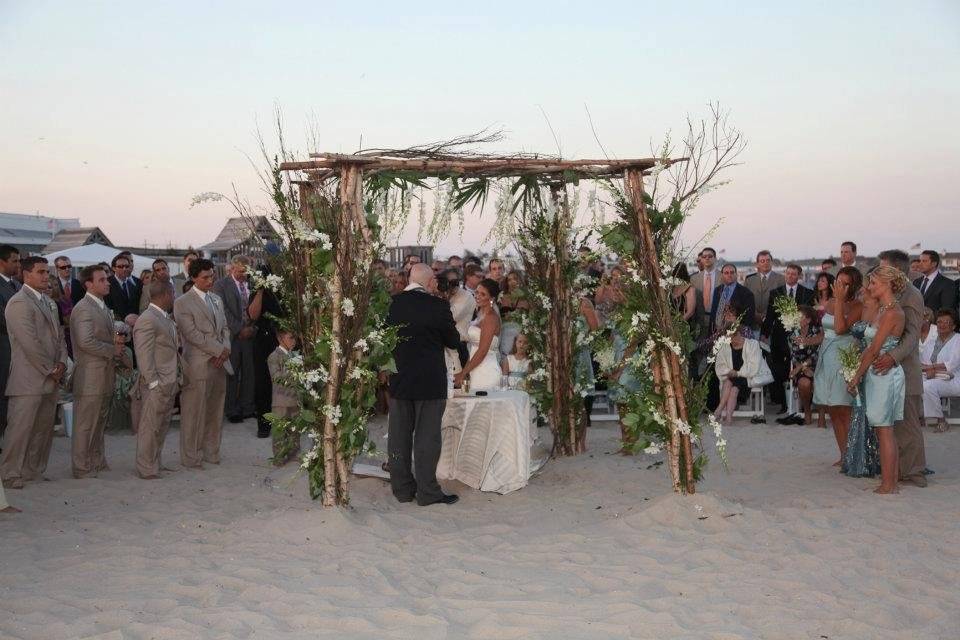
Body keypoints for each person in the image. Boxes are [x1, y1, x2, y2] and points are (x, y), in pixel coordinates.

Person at [386, 263, 460, 506]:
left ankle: (402, 490)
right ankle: (428, 492)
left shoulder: (393, 303)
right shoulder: (438, 306)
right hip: (430, 380)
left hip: (399, 378)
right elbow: (453, 340)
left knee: (398, 436)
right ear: (430, 283)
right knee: (427, 438)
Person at [0, 257, 67, 489]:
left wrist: (62, 363)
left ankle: (33, 470)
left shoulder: (49, 302)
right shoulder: (18, 303)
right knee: (20, 430)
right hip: (28, 378)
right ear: (26, 274)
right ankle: (9, 473)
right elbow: (29, 343)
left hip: (51, 377)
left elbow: (59, 337)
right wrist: (51, 369)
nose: (46, 276)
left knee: (43, 429)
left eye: (47, 272)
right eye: (41, 272)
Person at [845, 266, 908, 494]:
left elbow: (873, 350)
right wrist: (856, 372)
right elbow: (868, 350)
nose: (869, 287)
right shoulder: (883, 309)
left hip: (885, 375)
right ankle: (889, 480)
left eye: (873, 283)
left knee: (884, 429)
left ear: (888, 284)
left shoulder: (893, 313)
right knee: (882, 428)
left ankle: (889, 484)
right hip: (875, 374)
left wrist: (856, 377)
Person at [873, 249, 927, 487]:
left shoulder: (912, 295)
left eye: (882, 266)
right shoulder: (887, 293)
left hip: (905, 369)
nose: (878, 270)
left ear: (895, 269)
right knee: (893, 424)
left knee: (908, 424)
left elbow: (913, 334)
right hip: (887, 370)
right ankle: (898, 470)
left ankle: (915, 472)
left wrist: (892, 356)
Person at [70, 264, 129, 479]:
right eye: (102, 279)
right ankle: (81, 466)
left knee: (99, 421)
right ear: (88, 284)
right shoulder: (83, 308)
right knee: (85, 423)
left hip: (104, 373)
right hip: (90, 375)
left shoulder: (102, 306)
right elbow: (85, 342)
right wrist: (113, 350)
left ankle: (96, 460)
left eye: (107, 279)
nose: (107, 282)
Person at [174, 258, 232, 469]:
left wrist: (224, 351)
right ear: (193, 278)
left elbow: (225, 328)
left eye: (212, 276)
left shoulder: (216, 299)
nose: (210, 280)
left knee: (215, 410)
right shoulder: (182, 302)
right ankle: (191, 456)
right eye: (205, 277)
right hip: (198, 364)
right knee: (194, 412)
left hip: (220, 363)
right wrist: (218, 350)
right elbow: (191, 334)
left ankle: (211, 452)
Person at [813, 266, 864, 465]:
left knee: (844, 408)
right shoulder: (830, 302)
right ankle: (843, 455)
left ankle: (853, 454)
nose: (839, 286)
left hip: (845, 357)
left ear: (853, 286)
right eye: (838, 282)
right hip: (827, 356)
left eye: (844, 283)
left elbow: (841, 329)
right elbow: (826, 332)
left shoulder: (857, 306)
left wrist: (841, 301)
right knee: (833, 408)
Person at [132, 281, 181, 479]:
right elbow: (143, 354)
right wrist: (153, 382)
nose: (174, 297)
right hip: (156, 382)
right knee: (150, 426)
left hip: (168, 380)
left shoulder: (165, 318)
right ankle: (146, 467)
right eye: (173, 293)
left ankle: (155, 462)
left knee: (161, 424)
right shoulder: (148, 319)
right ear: (166, 294)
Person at [762, 264, 814, 412]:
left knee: (801, 368)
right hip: (779, 340)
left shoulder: (808, 293)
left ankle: (802, 406)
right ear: (785, 274)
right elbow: (770, 316)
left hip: (801, 338)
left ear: (799, 276)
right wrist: (764, 335)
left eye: (794, 274)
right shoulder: (775, 293)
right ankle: (784, 405)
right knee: (780, 371)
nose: (790, 276)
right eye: (788, 273)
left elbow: (810, 316)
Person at [213, 255, 256, 423]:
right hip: (232, 336)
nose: (243, 275)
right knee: (232, 372)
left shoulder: (253, 283)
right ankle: (231, 409)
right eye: (240, 271)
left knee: (249, 372)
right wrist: (239, 329)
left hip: (251, 334)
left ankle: (247, 407)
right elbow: (223, 311)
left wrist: (252, 328)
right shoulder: (221, 285)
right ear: (232, 269)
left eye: (246, 271)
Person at [247, 267, 285, 439]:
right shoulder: (258, 291)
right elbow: (253, 315)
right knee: (262, 383)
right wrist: (261, 290)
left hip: (282, 340)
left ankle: (283, 422)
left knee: (283, 383)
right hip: (263, 339)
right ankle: (264, 424)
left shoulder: (284, 289)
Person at [713, 302, 764, 425]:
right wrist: (729, 372)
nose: (732, 340)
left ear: (740, 333)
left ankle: (720, 410)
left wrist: (738, 373)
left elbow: (753, 366)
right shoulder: (725, 345)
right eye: (730, 337)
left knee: (734, 386)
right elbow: (719, 365)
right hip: (731, 376)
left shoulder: (751, 344)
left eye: (734, 336)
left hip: (746, 376)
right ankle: (727, 417)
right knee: (730, 383)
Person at [454, 278, 502, 391]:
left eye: (483, 294)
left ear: (492, 298)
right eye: (476, 292)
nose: (477, 296)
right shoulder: (480, 314)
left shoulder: (491, 317)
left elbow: (482, 351)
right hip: (475, 367)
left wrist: (463, 373)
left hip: (486, 369)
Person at [778, 305, 822, 425]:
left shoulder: (817, 332)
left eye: (799, 317)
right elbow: (793, 356)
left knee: (819, 379)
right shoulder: (792, 334)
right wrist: (801, 368)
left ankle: (821, 414)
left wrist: (798, 368)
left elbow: (816, 355)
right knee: (804, 383)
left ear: (808, 320)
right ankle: (807, 410)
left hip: (817, 365)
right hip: (802, 367)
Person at [920, 309, 960, 432]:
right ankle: (919, 416)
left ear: (953, 326)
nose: (942, 325)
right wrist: (928, 370)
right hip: (934, 377)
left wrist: (931, 368)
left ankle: (941, 420)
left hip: (954, 379)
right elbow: (923, 363)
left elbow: (952, 364)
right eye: (939, 322)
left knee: (927, 386)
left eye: (946, 322)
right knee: (912, 381)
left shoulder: (958, 339)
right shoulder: (932, 341)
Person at [267, 329, 301, 464]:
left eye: (295, 339)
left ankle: (293, 453)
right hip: (280, 400)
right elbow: (275, 378)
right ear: (280, 339)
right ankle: (279, 457)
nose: (294, 341)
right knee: (279, 430)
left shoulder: (294, 355)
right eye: (290, 338)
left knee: (295, 429)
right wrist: (292, 369)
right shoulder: (274, 356)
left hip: (294, 398)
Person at [0, 244, 22, 443]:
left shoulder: (17, 285)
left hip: (16, 348)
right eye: (14, 260)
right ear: (2, 262)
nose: (18, 264)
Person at [709, 263, 756, 335]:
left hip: (737, 334)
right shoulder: (717, 290)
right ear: (722, 275)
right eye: (726, 273)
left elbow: (749, 319)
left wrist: (735, 322)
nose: (729, 275)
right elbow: (713, 313)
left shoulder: (746, 293)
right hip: (717, 334)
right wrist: (711, 333)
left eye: (732, 272)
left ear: (736, 274)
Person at [744, 250, 785, 326]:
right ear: (757, 264)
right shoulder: (749, 280)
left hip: (772, 324)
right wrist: (755, 314)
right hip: (752, 323)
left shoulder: (781, 279)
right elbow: (745, 301)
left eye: (768, 260)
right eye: (762, 261)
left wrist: (766, 315)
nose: (766, 263)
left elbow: (782, 301)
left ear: (772, 262)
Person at [447, 268, 476, 367]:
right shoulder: (442, 295)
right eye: (449, 282)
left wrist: (444, 298)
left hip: (458, 345)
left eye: (455, 282)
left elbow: (451, 317)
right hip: (443, 346)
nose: (452, 285)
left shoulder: (466, 296)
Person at [914, 250, 957, 314]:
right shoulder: (916, 282)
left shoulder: (948, 284)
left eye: (924, 261)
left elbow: (947, 310)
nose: (920, 264)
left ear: (934, 264)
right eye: (920, 261)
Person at [106, 253, 141, 327]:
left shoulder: (135, 284)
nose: (124, 269)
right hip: (115, 327)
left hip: (134, 327)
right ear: (113, 268)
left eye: (126, 266)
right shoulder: (107, 283)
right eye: (120, 267)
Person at [498, 270, 528, 356]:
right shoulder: (502, 296)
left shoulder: (527, 297)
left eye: (515, 278)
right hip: (504, 333)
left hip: (520, 335)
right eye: (509, 280)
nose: (512, 282)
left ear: (520, 279)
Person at [691, 247, 720, 334]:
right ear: (702, 259)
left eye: (710, 256)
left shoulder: (723, 277)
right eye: (704, 257)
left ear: (715, 259)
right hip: (698, 322)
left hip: (717, 322)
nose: (707, 258)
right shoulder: (693, 279)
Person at [671, 263, 698, 331]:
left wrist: (679, 323)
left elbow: (691, 311)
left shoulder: (690, 288)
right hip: (671, 323)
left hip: (684, 325)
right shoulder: (672, 288)